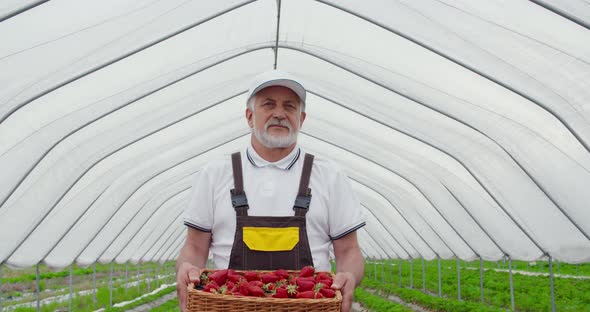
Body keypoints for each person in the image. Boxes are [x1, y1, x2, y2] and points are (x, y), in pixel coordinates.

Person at [176, 70, 366, 312]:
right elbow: (194, 247)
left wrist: (349, 275)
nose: (279, 113)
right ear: (249, 116)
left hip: (309, 306)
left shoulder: (329, 176)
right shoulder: (215, 174)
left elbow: (349, 249)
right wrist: (187, 269)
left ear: (302, 118)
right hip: (229, 305)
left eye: (289, 106)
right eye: (268, 104)